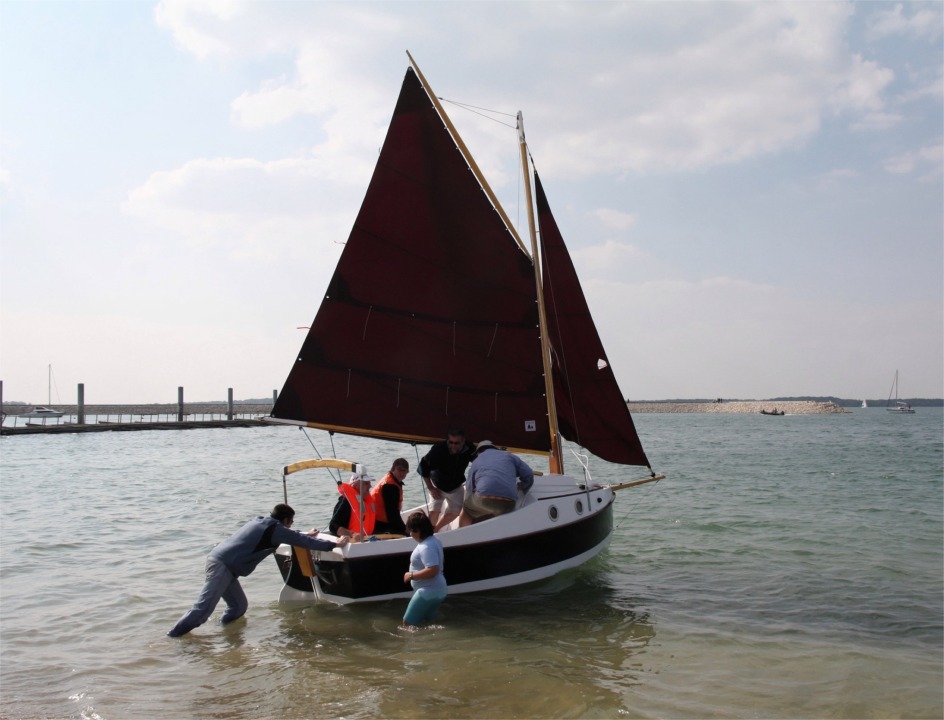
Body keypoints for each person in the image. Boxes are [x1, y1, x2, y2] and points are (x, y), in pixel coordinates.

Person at [167, 504, 348, 637]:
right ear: (285, 520)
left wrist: (303, 533)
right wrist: (334, 544)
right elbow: (303, 542)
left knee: (238, 607)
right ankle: (172, 638)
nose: (291, 525)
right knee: (203, 610)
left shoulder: (262, 521)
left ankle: (226, 634)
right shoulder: (276, 529)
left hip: (223, 563)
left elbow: (291, 535)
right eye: (291, 522)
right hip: (222, 566)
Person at [458, 440, 534, 527]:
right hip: (507, 503)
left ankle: (463, 534)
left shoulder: (477, 460)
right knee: (497, 510)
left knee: (467, 510)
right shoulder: (510, 456)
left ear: (478, 452)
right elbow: (528, 474)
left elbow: (469, 488)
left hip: (483, 500)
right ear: (495, 448)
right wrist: (524, 487)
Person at [418, 428, 475, 532]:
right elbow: (423, 467)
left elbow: (479, 462)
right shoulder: (438, 450)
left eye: (457, 443)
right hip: (437, 485)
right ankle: (428, 533)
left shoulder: (469, 448)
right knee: (434, 510)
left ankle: (436, 530)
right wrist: (431, 488)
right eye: (451, 442)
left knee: (456, 512)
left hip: (456, 486)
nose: (453, 445)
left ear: (463, 442)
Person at [401, 511, 447, 627]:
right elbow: (441, 562)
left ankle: (412, 644)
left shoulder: (426, 547)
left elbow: (433, 569)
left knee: (407, 624)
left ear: (418, 530)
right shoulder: (435, 541)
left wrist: (411, 575)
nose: (410, 534)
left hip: (428, 591)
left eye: (411, 530)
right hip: (438, 590)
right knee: (428, 622)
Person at [328, 472, 375, 539]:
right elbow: (333, 526)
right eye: (366, 484)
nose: (370, 486)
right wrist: (352, 534)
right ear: (355, 485)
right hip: (350, 543)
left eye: (369, 483)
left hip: (366, 541)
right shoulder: (346, 502)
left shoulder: (367, 502)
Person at [370, 458, 409, 535]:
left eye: (404, 470)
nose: (401, 473)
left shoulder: (391, 479)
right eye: (399, 470)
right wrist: (404, 529)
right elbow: (392, 513)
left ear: (407, 472)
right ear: (393, 469)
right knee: (407, 535)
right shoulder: (390, 486)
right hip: (378, 524)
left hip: (377, 520)